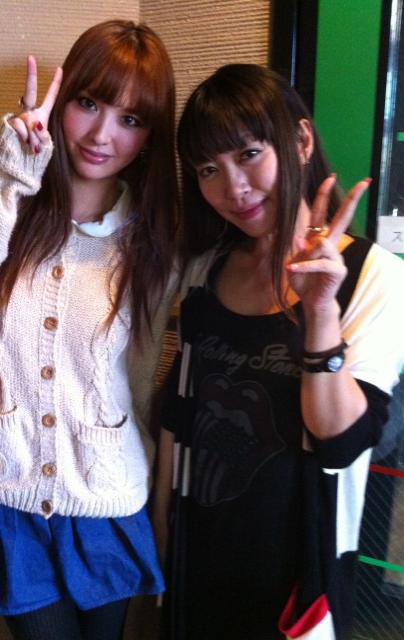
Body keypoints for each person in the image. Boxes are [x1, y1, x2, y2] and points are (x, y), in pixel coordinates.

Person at [0, 19, 179, 640]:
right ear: (60, 102)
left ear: (150, 134)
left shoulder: (156, 237)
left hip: (105, 493)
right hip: (7, 487)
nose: (101, 135)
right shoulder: (2, 204)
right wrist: (10, 174)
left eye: (130, 119)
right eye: (88, 104)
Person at [152, 64, 404, 640]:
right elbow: (180, 413)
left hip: (298, 572)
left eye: (248, 154)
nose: (233, 188)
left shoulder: (376, 276)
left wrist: (320, 311)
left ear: (301, 140)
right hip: (197, 556)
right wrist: (161, 527)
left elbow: (340, 441)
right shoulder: (204, 270)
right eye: (208, 169)